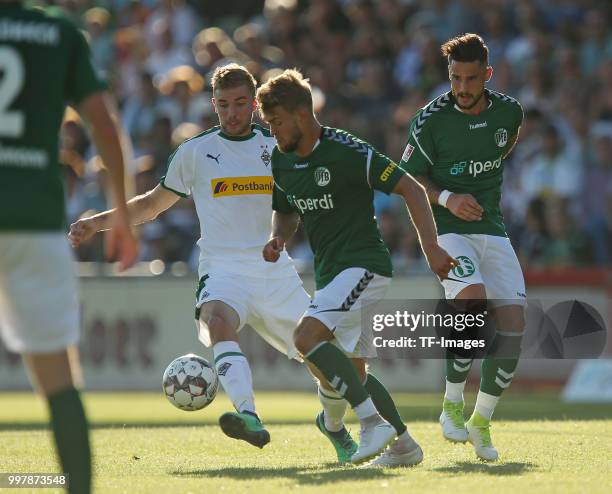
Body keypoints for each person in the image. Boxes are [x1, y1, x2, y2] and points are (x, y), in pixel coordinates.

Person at [71, 64, 361, 462]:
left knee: (327, 365)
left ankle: (332, 425)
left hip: (273, 269)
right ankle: (249, 416)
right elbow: (153, 204)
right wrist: (99, 223)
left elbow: (292, 208)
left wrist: (281, 236)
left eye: (241, 104)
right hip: (222, 269)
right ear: (213, 104)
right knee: (217, 320)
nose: (232, 113)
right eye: (224, 105)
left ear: (256, 103)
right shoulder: (195, 152)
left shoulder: (277, 146)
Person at [257, 69, 456, 465]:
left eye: (276, 122)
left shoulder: (346, 151)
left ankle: (370, 423)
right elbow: (284, 210)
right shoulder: (281, 160)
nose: (273, 131)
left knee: (306, 337)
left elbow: (411, 188)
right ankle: (403, 446)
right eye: (268, 124)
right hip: (332, 272)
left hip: (365, 265)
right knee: (348, 372)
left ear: (301, 113)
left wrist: (431, 248)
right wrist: (279, 236)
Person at [0, 2, 139, 493]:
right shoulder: (57, 33)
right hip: (35, 221)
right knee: (59, 379)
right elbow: (104, 125)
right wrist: (120, 214)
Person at [400, 33, 526, 462]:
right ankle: (452, 402)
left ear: (487, 75)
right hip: (447, 230)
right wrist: (447, 197)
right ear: (448, 75)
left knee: (512, 325)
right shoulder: (429, 120)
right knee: (471, 298)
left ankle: (481, 420)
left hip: (492, 229)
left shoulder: (510, 113)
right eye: (456, 78)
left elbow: (501, 150)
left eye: (472, 79)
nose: (463, 88)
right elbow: (408, 178)